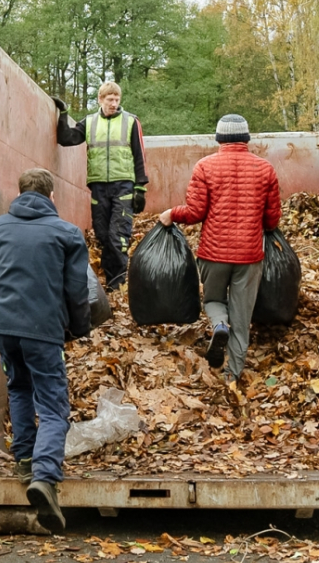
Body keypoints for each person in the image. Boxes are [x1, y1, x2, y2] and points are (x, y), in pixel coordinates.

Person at [0, 168, 92, 533]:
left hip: (4, 326)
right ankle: (44, 477)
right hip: (43, 331)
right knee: (54, 405)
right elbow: (77, 290)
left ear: (20, 191)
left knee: (19, 387)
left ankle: (24, 460)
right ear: (51, 195)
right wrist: (79, 327)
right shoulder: (66, 233)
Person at [158, 114, 280, 381]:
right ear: (246, 139)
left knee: (213, 300)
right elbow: (271, 221)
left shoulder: (205, 167)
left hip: (213, 254)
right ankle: (232, 375)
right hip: (250, 257)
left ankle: (219, 325)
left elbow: (195, 212)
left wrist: (172, 214)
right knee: (242, 315)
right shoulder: (265, 169)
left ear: (219, 138)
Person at [54, 80, 149, 290]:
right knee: (102, 236)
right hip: (98, 187)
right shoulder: (90, 122)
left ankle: (120, 283)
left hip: (123, 185)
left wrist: (140, 188)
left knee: (118, 237)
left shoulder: (131, 122)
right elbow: (67, 139)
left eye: (117, 99)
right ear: (100, 99)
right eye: (110, 99)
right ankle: (111, 281)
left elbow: (139, 154)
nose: (114, 103)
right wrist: (63, 113)